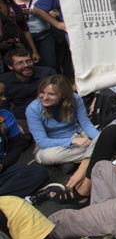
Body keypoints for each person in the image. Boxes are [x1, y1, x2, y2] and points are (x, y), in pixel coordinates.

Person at [26, 74, 99, 204]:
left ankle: (88, 153)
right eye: (42, 92)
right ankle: (95, 154)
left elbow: (86, 124)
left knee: (102, 135)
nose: (45, 97)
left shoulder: (75, 99)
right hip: (52, 145)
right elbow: (42, 141)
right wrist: (72, 141)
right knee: (47, 156)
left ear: (63, 95)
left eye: (51, 94)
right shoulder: (33, 109)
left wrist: (99, 138)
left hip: (77, 135)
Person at [0, 107, 49, 198]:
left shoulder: (5, 116)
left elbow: (16, 147)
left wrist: (2, 164)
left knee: (39, 172)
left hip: (3, 170)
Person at [0, 48, 54, 126]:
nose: (26, 65)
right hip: (21, 119)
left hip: (48, 115)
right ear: (10, 67)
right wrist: (10, 124)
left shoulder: (47, 73)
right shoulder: (4, 81)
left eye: (28, 61)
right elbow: (3, 106)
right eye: (20, 63)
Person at [9, 0, 53, 68]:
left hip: (44, 36)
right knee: (30, 65)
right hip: (24, 40)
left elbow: (53, 15)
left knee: (50, 63)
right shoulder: (10, 4)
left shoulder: (39, 0)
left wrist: (36, 11)